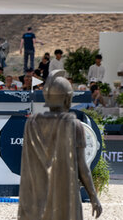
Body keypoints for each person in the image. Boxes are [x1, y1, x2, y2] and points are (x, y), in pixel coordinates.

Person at [18, 70, 102, 220]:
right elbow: (82, 166)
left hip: (36, 200)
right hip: (65, 201)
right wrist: (93, 197)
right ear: (68, 98)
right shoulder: (74, 125)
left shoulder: (32, 124)